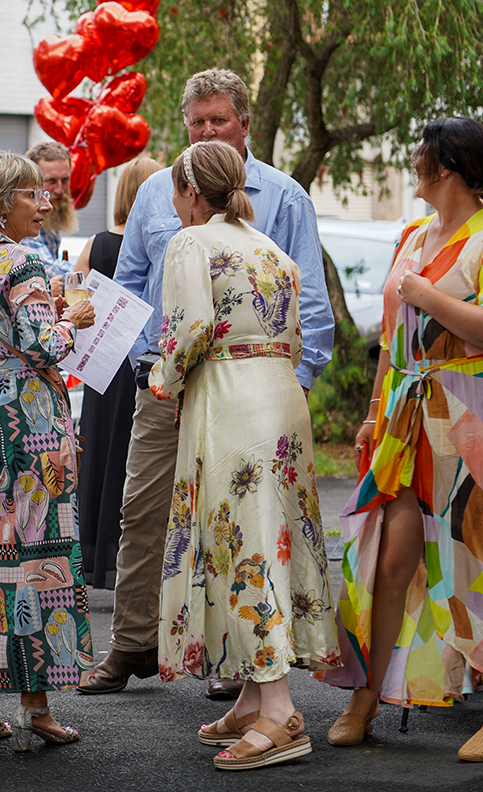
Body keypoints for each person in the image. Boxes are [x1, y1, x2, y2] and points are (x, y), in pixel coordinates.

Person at [80, 68, 334, 695]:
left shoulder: (285, 198)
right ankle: (133, 643)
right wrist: (151, 369)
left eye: (217, 120)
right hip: (163, 388)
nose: (205, 131)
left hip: (242, 396)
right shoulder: (157, 194)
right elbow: (132, 285)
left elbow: (312, 307)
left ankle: (233, 660)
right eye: (196, 122)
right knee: (140, 513)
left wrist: (290, 383)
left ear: (245, 124)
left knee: (235, 521)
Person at [323, 117, 483, 763]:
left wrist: (428, 294)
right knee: (386, 559)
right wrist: (375, 414)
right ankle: (363, 699)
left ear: (446, 168)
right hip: (408, 417)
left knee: (478, 560)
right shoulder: (410, 235)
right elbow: (390, 340)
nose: (412, 170)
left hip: (475, 419)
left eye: (420, 159)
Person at [150, 141, 339, 770]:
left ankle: (281, 710)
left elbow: (190, 330)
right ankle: (258, 698)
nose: (174, 203)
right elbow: (298, 329)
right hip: (280, 397)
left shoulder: (192, 241)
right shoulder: (273, 250)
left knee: (241, 544)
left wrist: (164, 379)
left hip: (231, 399)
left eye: (176, 192)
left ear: (191, 193)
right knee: (272, 536)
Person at [0, 150, 96, 752]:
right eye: (33, 193)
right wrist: (73, 317)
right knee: (40, 555)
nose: (46, 200)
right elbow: (41, 345)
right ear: (4, 202)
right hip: (33, 424)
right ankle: (38, 706)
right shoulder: (24, 260)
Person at [74, 155, 163, 588]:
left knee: (101, 459)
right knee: (139, 460)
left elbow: (74, 300)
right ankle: (139, 562)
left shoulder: (96, 245)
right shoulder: (165, 242)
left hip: (105, 366)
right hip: (146, 363)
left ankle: (96, 558)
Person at [25, 141, 77, 296]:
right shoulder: (23, 217)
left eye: (65, 180)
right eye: (51, 181)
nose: (60, 190)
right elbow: (45, 270)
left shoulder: (52, 218)